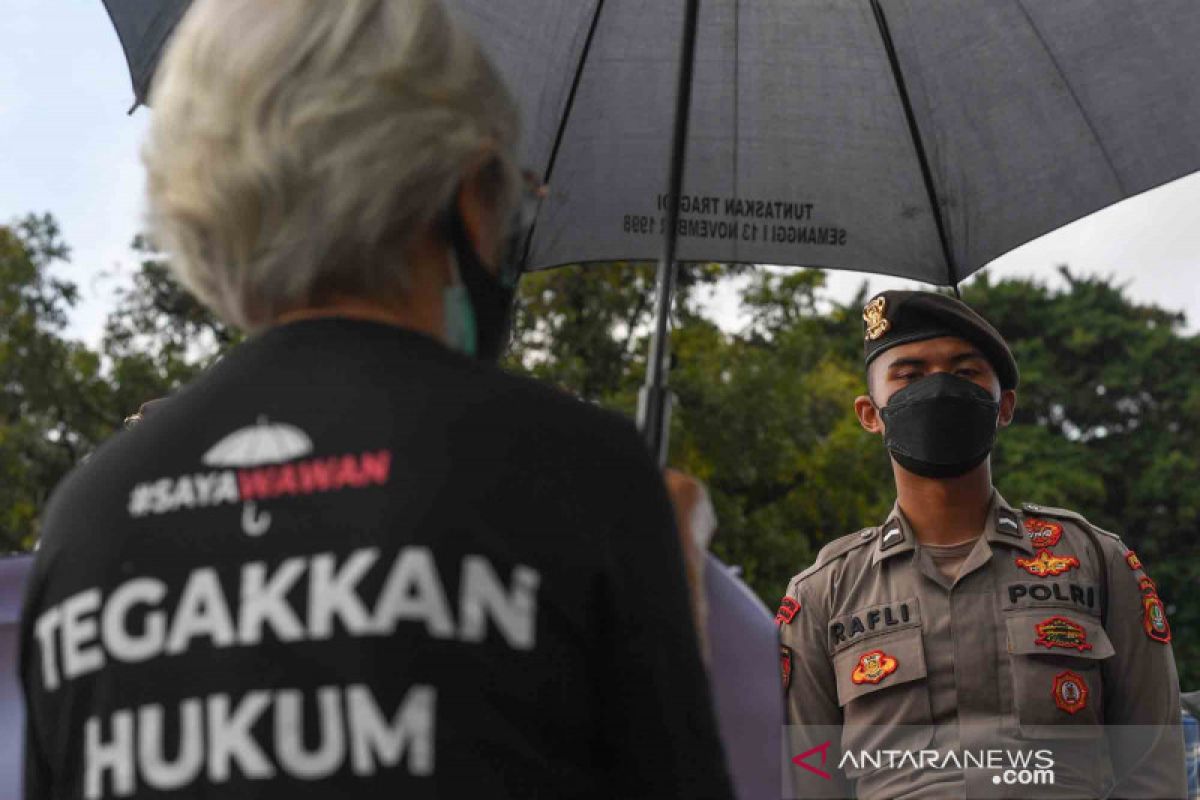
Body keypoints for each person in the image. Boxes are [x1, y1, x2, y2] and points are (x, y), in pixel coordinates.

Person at [19, 2, 733, 797]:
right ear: (464, 192)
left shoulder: (89, 516)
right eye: (514, 196)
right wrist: (672, 595)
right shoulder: (579, 475)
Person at [778, 290, 1185, 798]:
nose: (939, 389)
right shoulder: (824, 594)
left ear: (1004, 406)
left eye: (965, 373)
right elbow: (809, 781)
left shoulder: (1094, 562)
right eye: (908, 376)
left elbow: (1154, 770)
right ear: (870, 413)